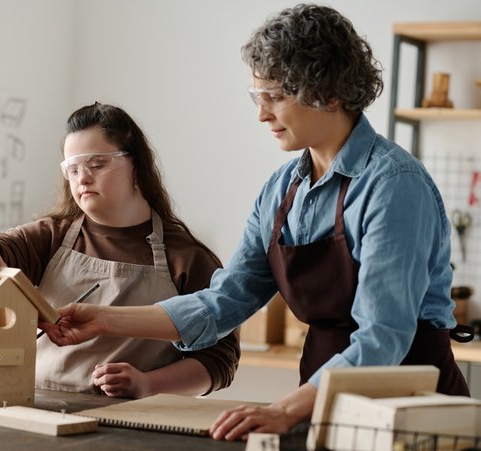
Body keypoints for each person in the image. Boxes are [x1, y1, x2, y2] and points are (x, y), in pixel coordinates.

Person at [40, 3, 472, 440]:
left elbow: (382, 338)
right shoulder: (282, 190)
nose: (261, 114)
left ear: (330, 91)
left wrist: (284, 410)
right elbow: (224, 301)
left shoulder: (393, 185)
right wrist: (105, 319)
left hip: (415, 410)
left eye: (275, 97)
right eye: (257, 98)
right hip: (326, 401)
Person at [0, 102, 240, 398]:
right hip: (36, 409)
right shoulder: (52, 236)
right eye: (73, 169)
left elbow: (219, 360)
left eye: (97, 164)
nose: (83, 178)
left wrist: (148, 385)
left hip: (131, 426)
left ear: (136, 166)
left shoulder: (188, 258)